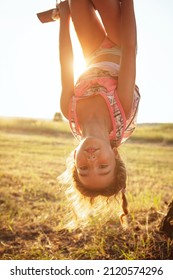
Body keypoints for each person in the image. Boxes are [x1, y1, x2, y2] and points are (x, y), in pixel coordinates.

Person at [53, 0, 140, 225]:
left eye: (84, 168)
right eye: (103, 167)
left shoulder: (69, 110)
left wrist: (65, 18)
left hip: (91, 52)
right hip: (120, 45)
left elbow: (65, 63)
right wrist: (128, 3)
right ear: (115, 155)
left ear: (74, 159)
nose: (92, 160)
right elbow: (130, 50)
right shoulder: (121, 109)